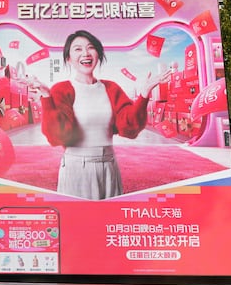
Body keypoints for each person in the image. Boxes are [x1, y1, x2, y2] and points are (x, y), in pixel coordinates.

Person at [31, 30, 170, 200]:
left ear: (98, 54)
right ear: (68, 58)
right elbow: (57, 136)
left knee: (110, 219)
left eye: (91, 48)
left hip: (109, 164)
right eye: (77, 49)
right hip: (76, 166)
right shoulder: (61, 90)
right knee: (77, 221)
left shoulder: (111, 88)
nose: (85, 53)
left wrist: (144, 94)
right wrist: (46, 97)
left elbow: (130, 128)